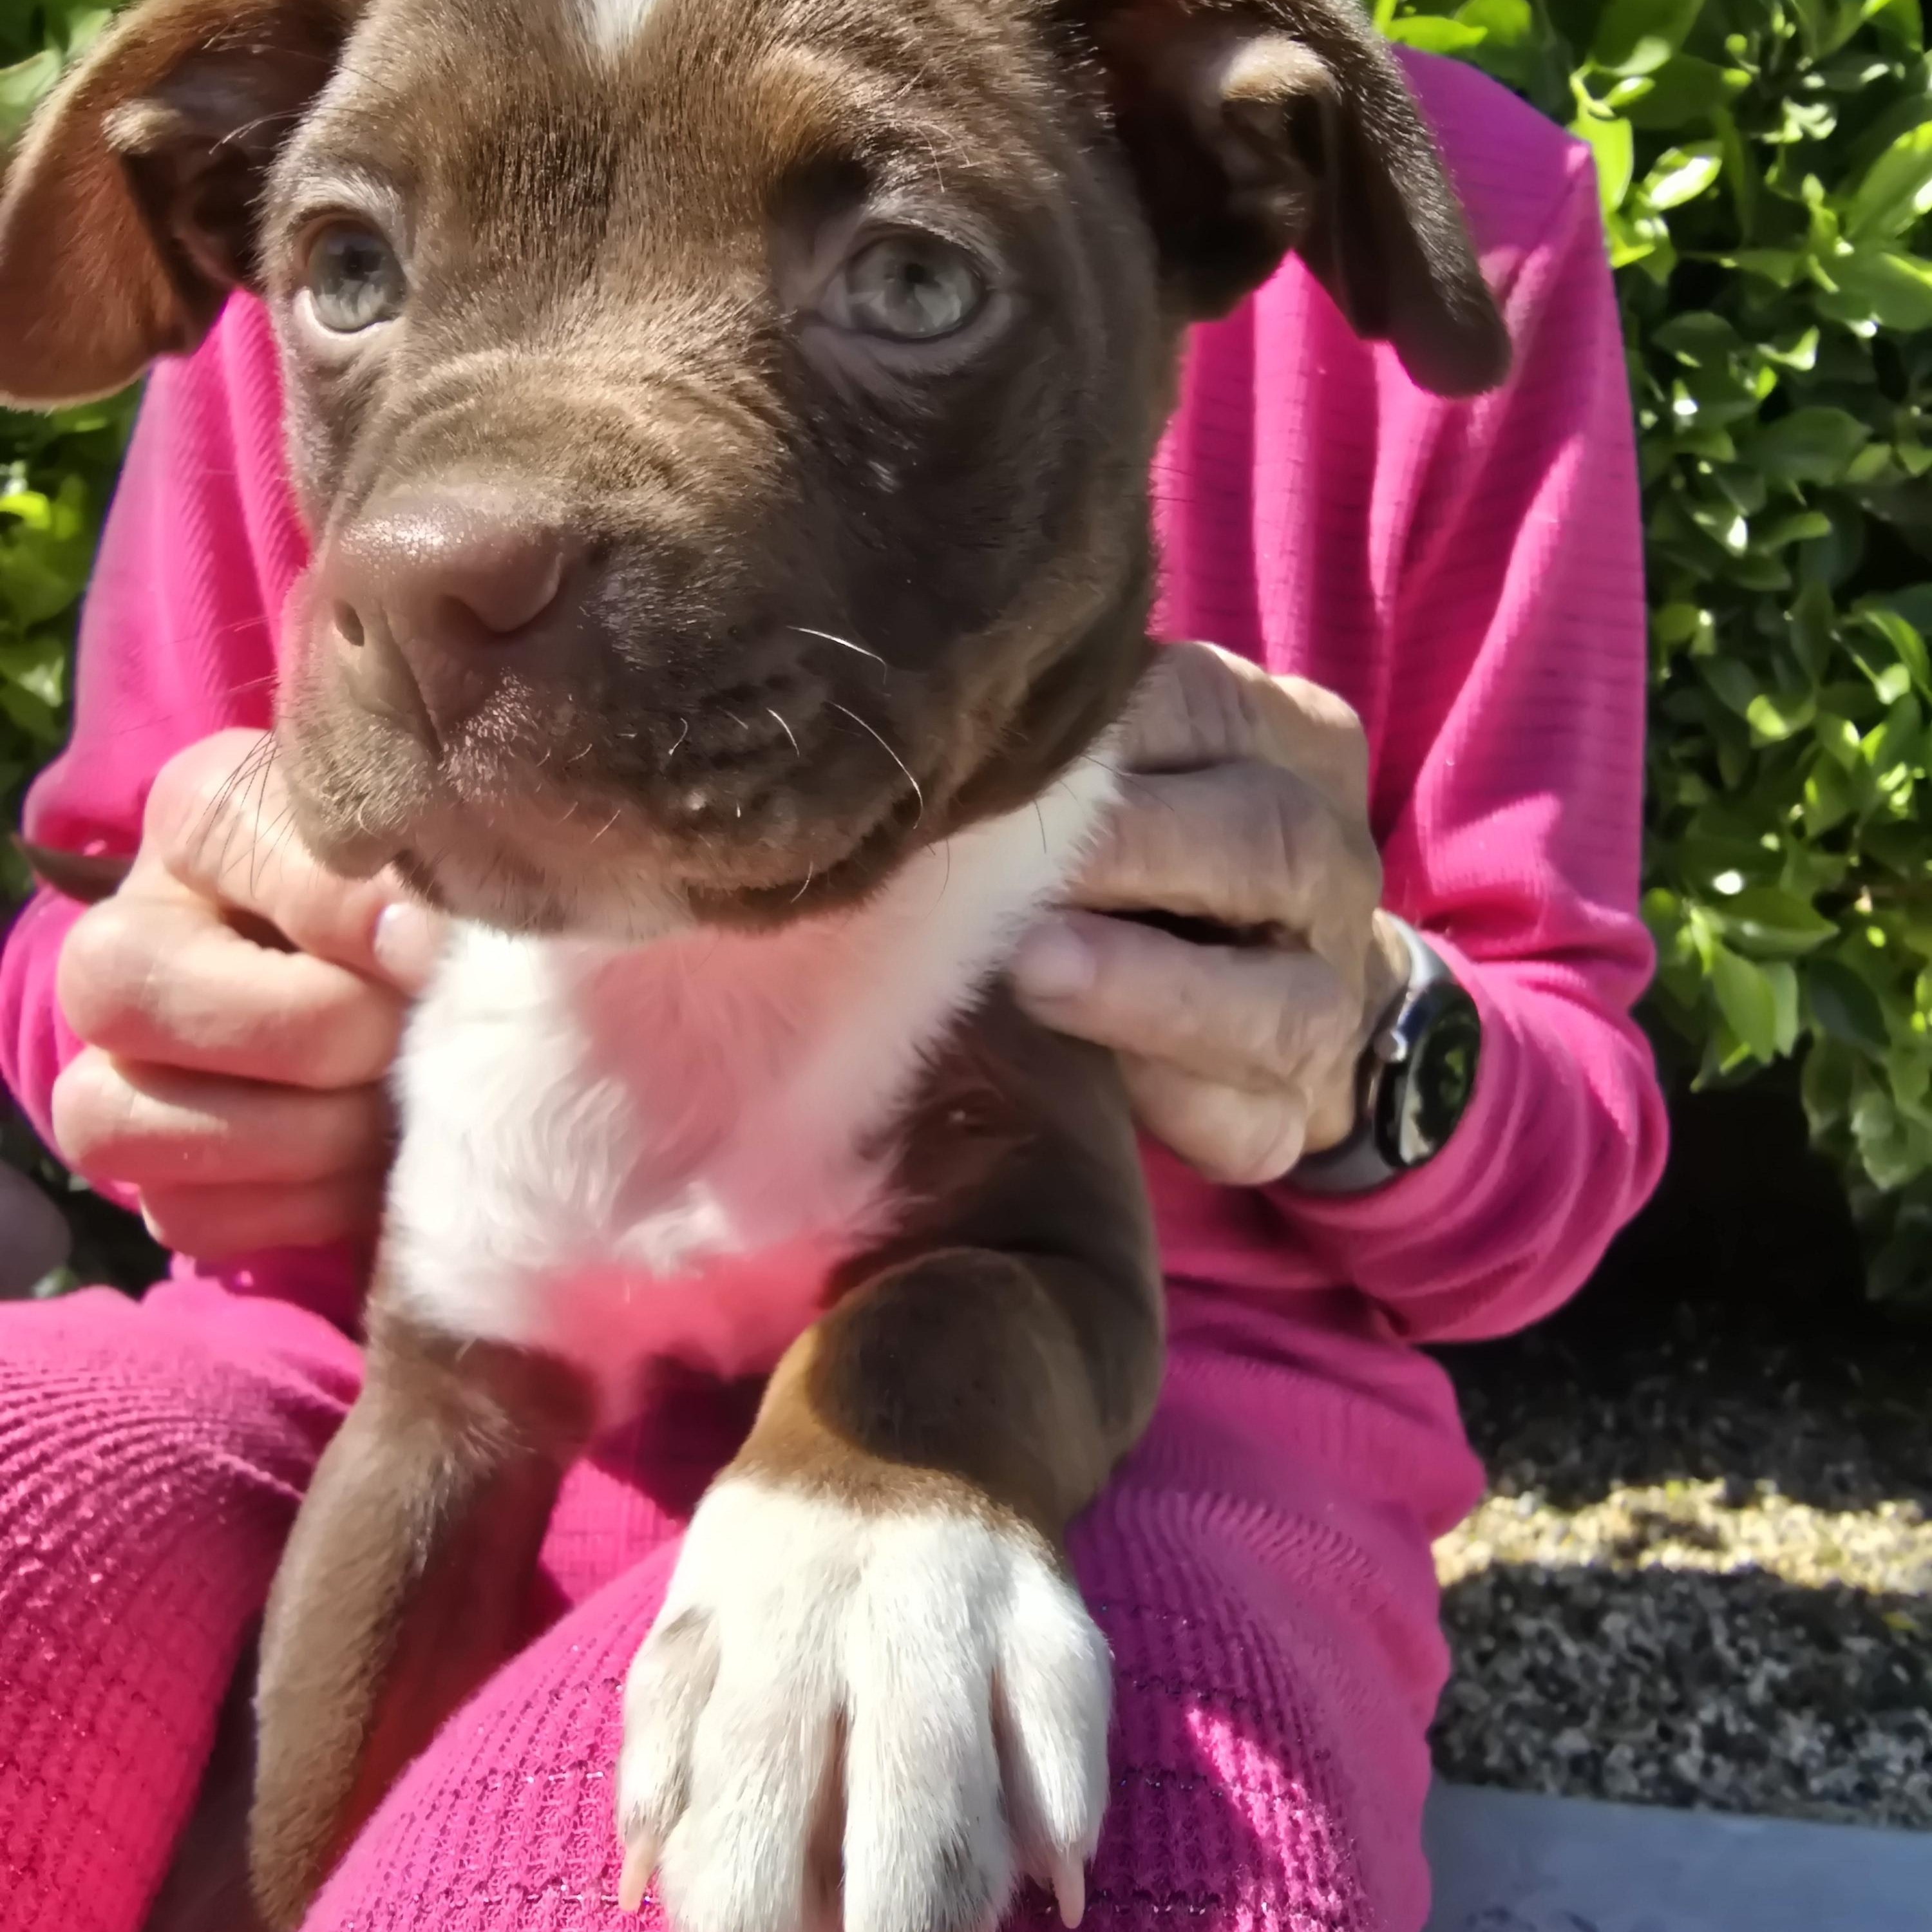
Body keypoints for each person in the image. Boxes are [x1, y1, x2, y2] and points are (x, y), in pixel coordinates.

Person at [0, 47, 1665, 1932]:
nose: (463, 549)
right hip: (378, 1346)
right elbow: (89, 918)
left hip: (1143, 1397)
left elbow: (1564, 1108)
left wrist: (1368, 1035)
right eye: (356, 274)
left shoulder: (1410, 172)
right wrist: (153, 1029)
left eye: (913, 281)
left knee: (951, 1855)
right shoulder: (420, 55)